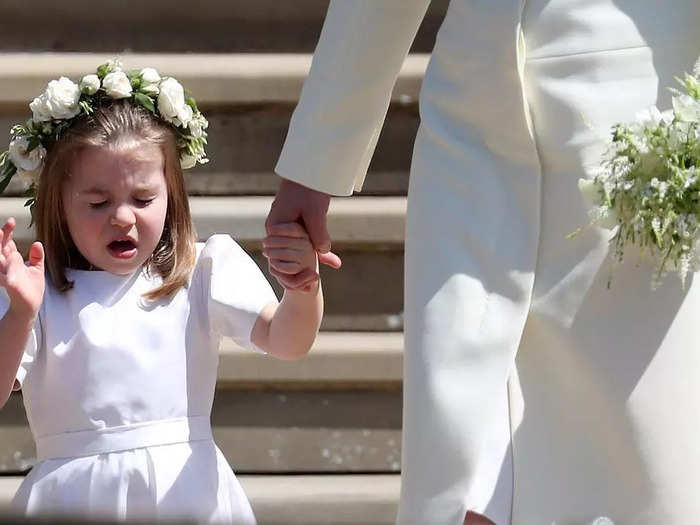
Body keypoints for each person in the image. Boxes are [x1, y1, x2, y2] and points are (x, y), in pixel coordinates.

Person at [266, 1, 700, 524]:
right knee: (460, 446)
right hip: (474, 121)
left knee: (629, 451)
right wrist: (312, 169)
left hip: (645, 127)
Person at [0, 62, 323, 523]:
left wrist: (303, 288)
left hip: (185, 494)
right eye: (97, 203)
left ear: (171, 194)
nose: (123, 217)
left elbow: (289, 342)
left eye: (143, 199)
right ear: (59, 202)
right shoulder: (38, 292)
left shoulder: (202, 269)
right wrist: (19, 314)